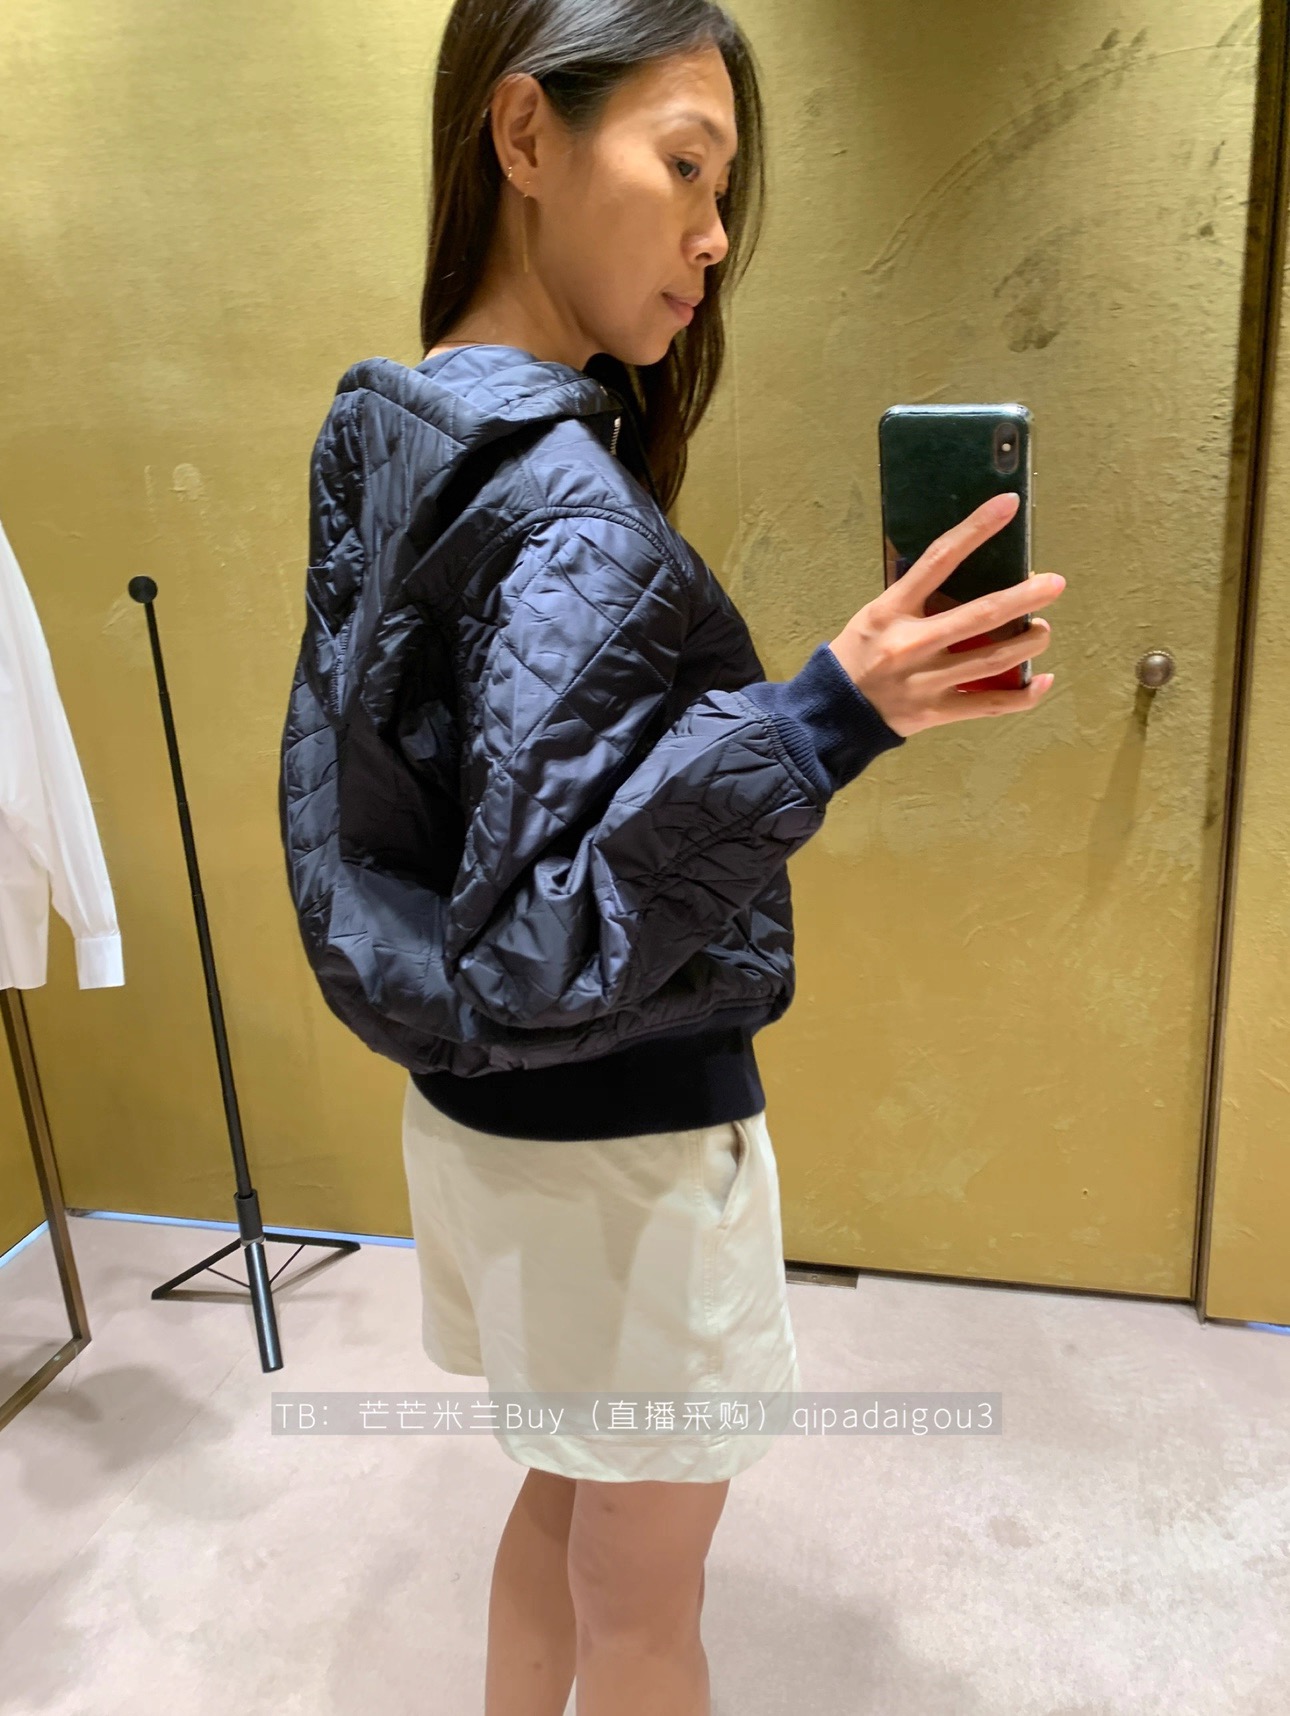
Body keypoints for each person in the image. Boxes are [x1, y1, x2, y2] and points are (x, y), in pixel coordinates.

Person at [278, 2, 1063, 1711]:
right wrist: (826, 717)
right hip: (620, 1154)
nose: (714, 236)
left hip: (480, 1123)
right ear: (523, 136)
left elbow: (453, 857)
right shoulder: (561, 494)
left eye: (725, 189)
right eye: (686, 167)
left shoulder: (401, 432)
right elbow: (553, 929)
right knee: (646, 1605)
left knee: (562, 1498)